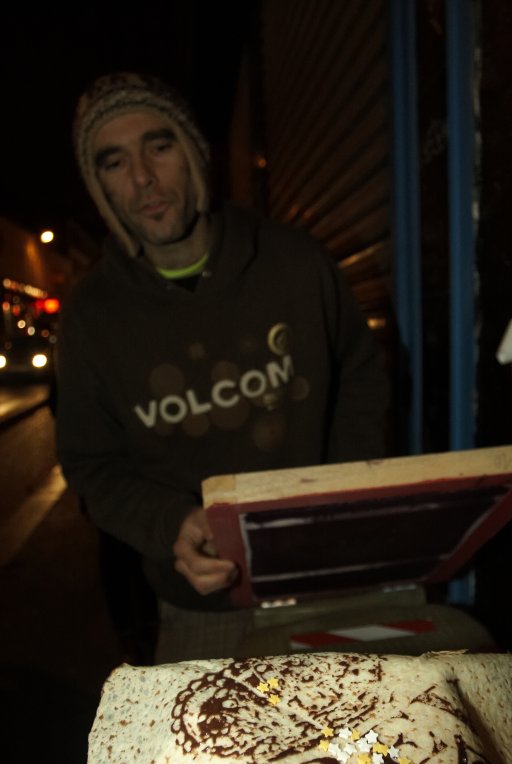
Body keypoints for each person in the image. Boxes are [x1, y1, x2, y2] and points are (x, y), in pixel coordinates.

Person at [55, 71, 392, 664]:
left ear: (194, 153)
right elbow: (92, 466)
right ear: (98, 185)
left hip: (331, 583)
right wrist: (169, 523)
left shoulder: (296, 263)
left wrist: (341, 503)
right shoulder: (90, 317)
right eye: (114, 162)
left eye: (159, 146)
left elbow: (361, 379)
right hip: (200, 605)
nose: (142, 178)